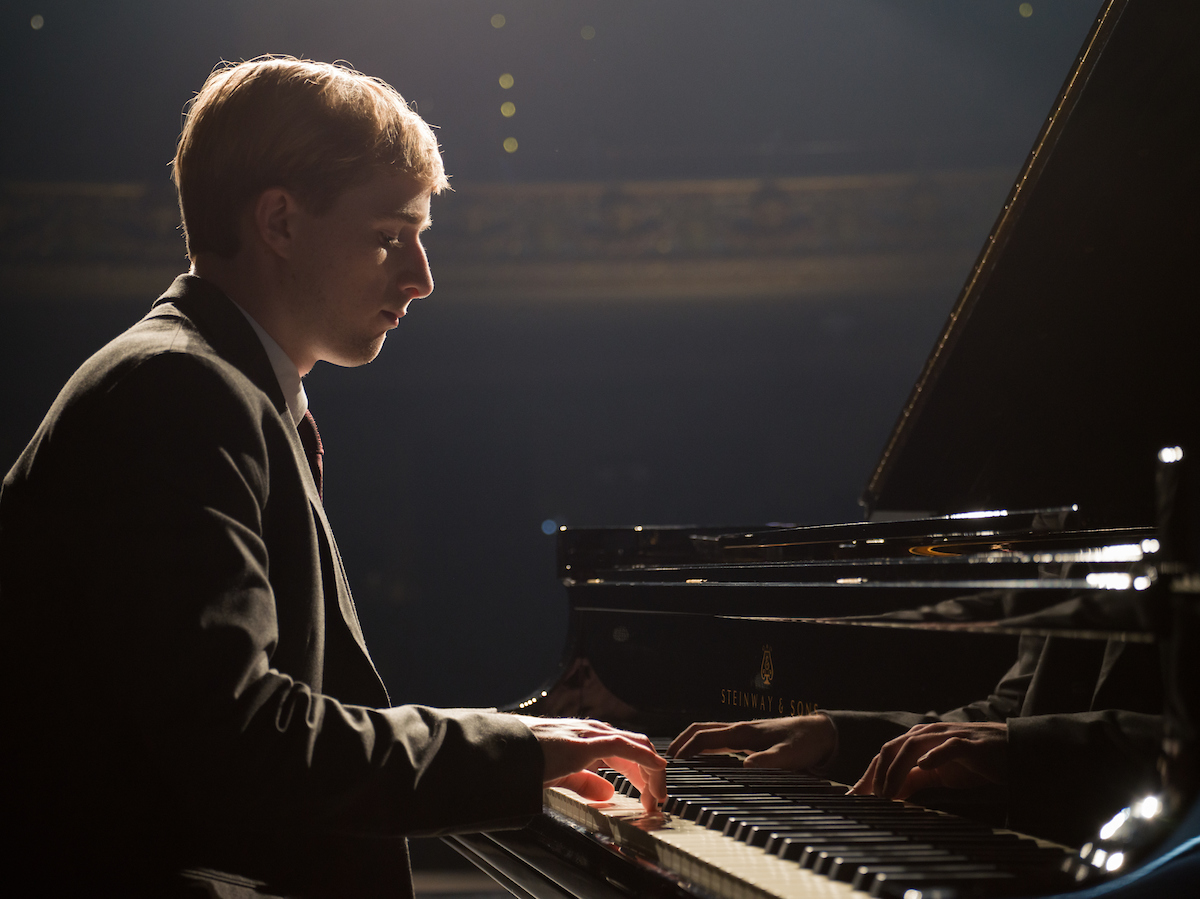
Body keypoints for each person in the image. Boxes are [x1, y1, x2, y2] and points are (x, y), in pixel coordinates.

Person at [0, 56, 665, 899]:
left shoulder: (218, 385)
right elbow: (234, 739)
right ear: (278, 220)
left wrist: (511, 743)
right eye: (392, 235)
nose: (421, 278)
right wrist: (513, 755)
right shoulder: (179, 391)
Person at [670, 627, 1163, 847]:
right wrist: (837, 732)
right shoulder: (1080, 510)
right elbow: (1019, 708)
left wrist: (1033, 746)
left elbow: (1024, 731)